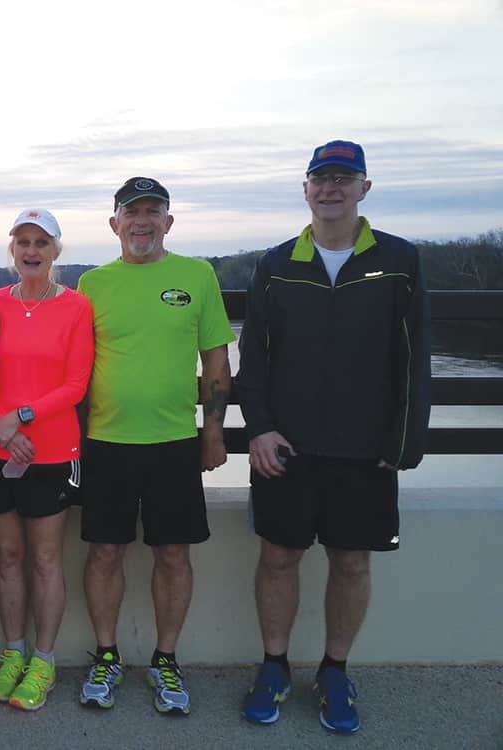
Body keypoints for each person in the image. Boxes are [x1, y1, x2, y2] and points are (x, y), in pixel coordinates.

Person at [236, 140, 431, 734]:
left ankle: (335, 671)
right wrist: (260, 430)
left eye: (344, 178)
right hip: (286, 449)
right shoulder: (276, 264)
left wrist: (401, 446)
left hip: (364, 450)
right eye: (321, 178)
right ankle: (273, 667)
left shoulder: (399, 260)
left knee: (352, 564)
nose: (331, 188)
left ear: (364, 188)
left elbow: (412, 358)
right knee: (278, 558)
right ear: (306, 189)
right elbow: (254, 357)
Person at [76, 177, 235, 714]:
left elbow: (216, 359)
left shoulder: (197, 275)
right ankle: (106, 655)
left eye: (153, 211)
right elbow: (71, 363)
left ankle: (166, 661)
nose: (141, 221)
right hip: (105, 441)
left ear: (168, 221)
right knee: (104, 552)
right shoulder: (93, 284)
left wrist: (213, 430)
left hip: (173, 443)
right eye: (131, 212)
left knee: (173, 553)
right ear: (114, 223)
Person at [0, 209, 93, 711]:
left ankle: (43, 660)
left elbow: (75, 385)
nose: (31, 250)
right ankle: (13, 653)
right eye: (22, 241)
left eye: (41, 242)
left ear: (56, 251)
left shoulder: (76, 307)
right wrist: (2, 428)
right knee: (7, 556)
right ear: (12, 250)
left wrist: (20, 418)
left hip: (51, 448)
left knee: (45, 558)